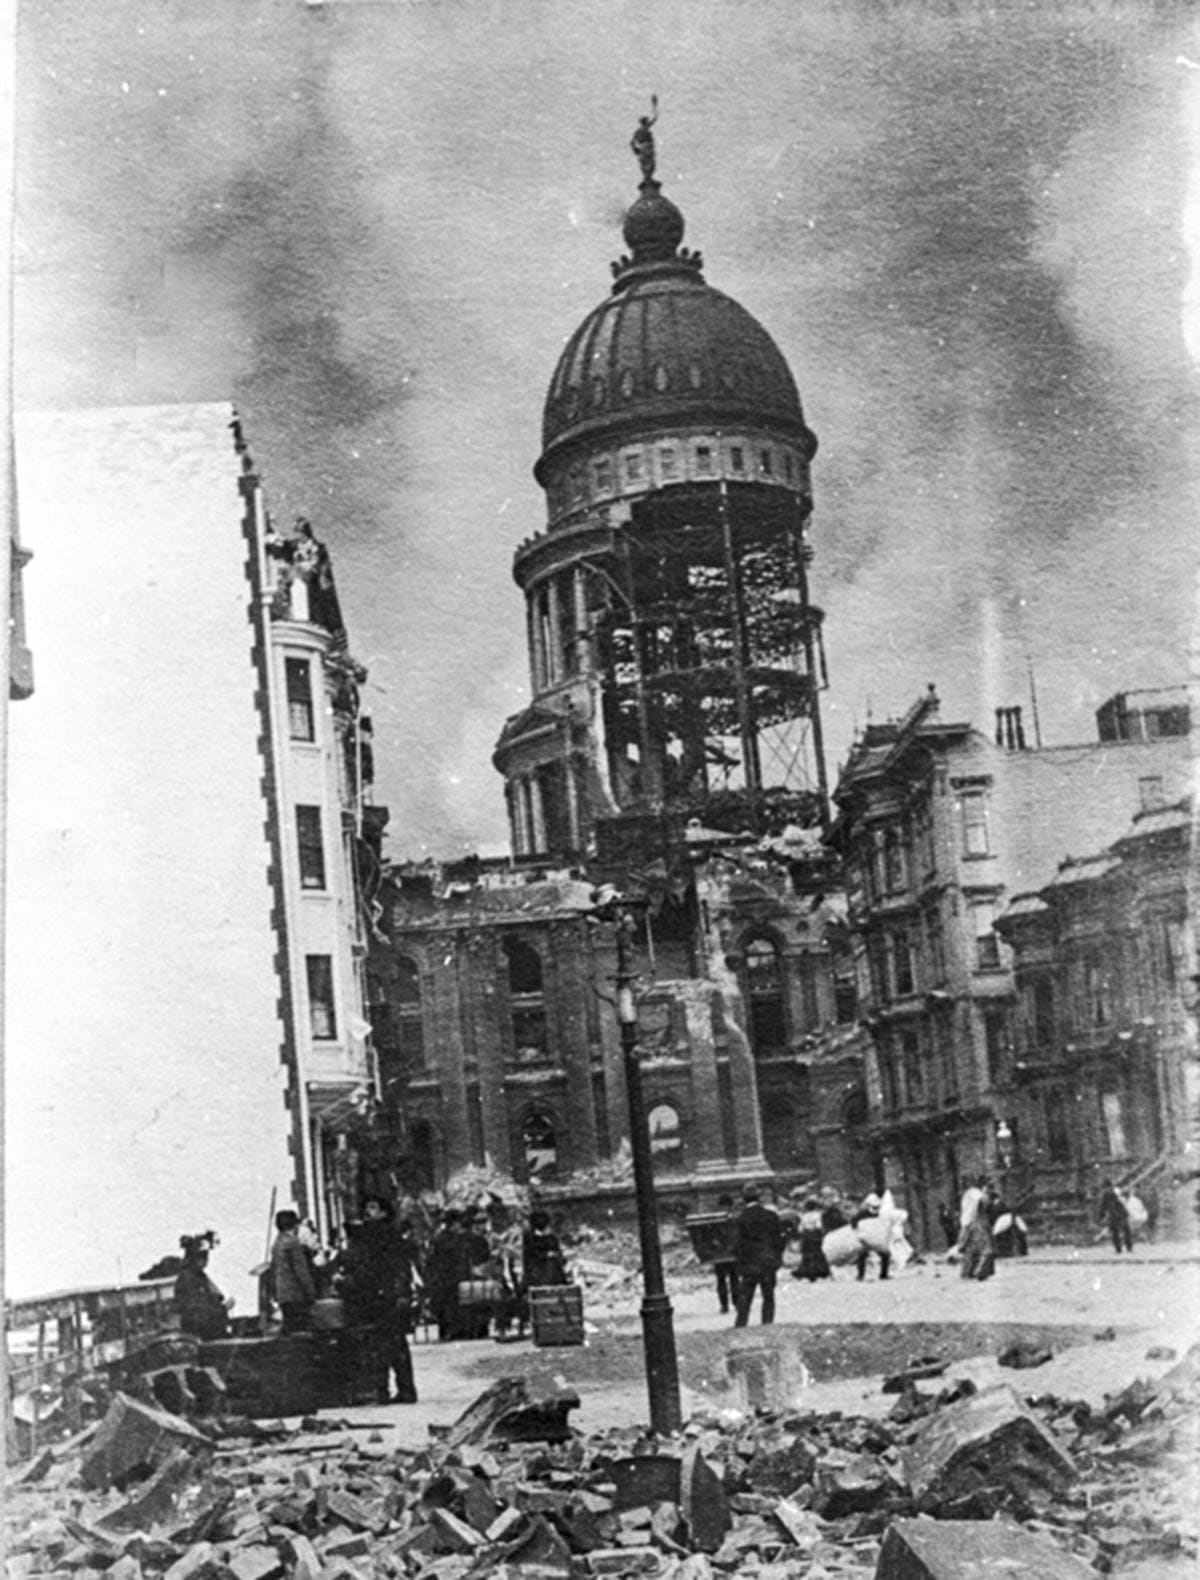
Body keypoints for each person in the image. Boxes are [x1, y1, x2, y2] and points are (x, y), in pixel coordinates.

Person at [339, 1196, 418, 1404]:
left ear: (384, 1212)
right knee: (394, 1344)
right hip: (388, 1294)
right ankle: (402, 1389)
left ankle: (385, 1390)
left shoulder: (379, 1235)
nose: (368, 1211)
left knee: (385, 1343)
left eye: (373, 1207)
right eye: (366, 1206)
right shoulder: (386, 1234)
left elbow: (379, 1267)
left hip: (383, 1296)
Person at [733, 1185, 786, 1326]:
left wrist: (739, 1261)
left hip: (749, 1263)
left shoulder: (740, 1219)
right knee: (768, 1295)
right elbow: (779, 1240)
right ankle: (767, 1322)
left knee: (746, 1296)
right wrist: (777, 1257)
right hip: (768, 1260)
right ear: (759, 1197)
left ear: (744, 1199)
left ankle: (741, 1323)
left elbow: (737, 1243)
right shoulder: (771, 1216)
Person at [174, 1231, 231, 1341]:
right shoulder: (187, 1278)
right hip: (197, 1329)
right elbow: (194, 1309)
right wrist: (222, 1309)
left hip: (204, 1323)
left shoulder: (199, 1276)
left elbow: (213, 1297)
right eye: (202, 1256)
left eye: (206, 1256)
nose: (205, 1260)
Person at [270, 1208, 318, 1331]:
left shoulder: (277, 1242)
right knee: (302, 1332)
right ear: (295, 1225)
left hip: (283, 1295)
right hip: (296, 1295)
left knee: (290, 1330)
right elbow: (301, 1271)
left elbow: (274, 1268)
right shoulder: (293, 1243)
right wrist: (310, 1292)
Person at [958, 1175, 996, 1281]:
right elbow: (984, 1204)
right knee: (986, 1248)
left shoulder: (968, 1194)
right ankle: (980, 1271)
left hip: (968, 1223)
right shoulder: (979, 1195)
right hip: (979, 1222)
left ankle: (967, 1271)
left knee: (970, 1249)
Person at [710, 1194, 740, 1313]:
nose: (725, 1209)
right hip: (725, 1253)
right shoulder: (724, 1219)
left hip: (726, 1253)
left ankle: (731, 1304)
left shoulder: (719, 1219)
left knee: (732, 1279)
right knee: (727, 1279)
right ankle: (726, 1304)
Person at [852, 1191, 890, 1282]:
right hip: (865, 1238)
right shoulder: (862, 1214)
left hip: (875, 1239)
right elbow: (853, 1222)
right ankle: (860, 1276)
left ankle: (883, 1275)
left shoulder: (880, 1213)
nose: (876, 1208)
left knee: (885, 1254)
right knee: (862, 1255)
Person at [793, 1197, 832, 1283]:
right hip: (814, 1235)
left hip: (806, 1236)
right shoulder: (817, 1215)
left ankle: (806, 1272)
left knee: (807, 1254)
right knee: (817, 1253)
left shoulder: (804, 1216)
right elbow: (819, 1226)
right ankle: (819, 1271)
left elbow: (800, 1229)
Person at [1099, 1180, 1133, 1253]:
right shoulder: (1106, 1195)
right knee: (1115, 1232)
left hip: (1121, 1214)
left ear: (1109, 1186)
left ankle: (1128, 1247)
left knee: (1125, 1231)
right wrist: (1102, 1215)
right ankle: (1118, 1249)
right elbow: (1103, 1206)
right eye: (1105, 1188)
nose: (1106, 1189)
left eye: (1106, 1188)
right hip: (1114, 1215)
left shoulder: (1117, 1192)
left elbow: (1125, 1198)